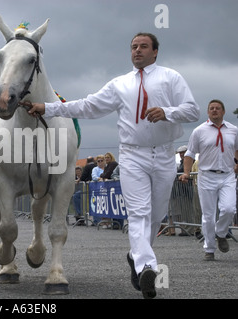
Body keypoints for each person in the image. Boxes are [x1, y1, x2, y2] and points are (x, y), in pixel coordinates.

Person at [21, 32, 200, 298]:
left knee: (155, 215)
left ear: (155, 52)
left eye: (143, 47)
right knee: (138, 212)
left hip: (163, 155)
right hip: (132, 155)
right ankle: (146, 267)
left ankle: (136, 256)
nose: (137, 51)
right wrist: (48, 108)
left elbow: (193, 110)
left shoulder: (171, 78)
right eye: (133, 47)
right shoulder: (120, 84)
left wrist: (167, 112)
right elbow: (87, 106)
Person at [179, 99, 238, 261]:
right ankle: (209, 249)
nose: (214, 111)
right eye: (211, 108)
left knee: (229, 209)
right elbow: (190, 154)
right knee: (208, 215)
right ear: (208, 112)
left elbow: (237, 149)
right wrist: (186, 173)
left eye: (217, 108)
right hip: (207, 176)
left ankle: (221, 233)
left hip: (227, 175)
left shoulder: (233, 130)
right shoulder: (199, 131)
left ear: (223, 111)